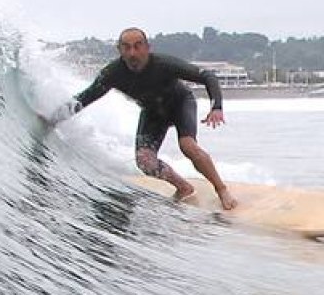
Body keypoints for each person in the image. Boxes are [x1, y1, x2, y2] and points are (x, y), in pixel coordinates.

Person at [39, 27, 237, 209]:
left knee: (187, 145)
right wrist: (53, 119)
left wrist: (216, 107)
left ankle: (221, 190)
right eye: (126, 48)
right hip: (152, 113)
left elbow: (207, 76)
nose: (132, 53)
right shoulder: (113, 73)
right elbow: (85, 98)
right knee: (144, 162)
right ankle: (184, 187)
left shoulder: (164, 64)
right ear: (119, 50)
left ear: (147, 48)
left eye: (137, 46)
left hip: (179, 103)